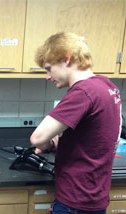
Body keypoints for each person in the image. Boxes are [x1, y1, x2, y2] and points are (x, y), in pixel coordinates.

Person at [30, 32, 121, 213]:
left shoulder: (83, 91)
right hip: (95, 195)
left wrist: (47, 144)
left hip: (76, 199)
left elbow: (38, 138)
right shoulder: (107, 86)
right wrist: (56, 143)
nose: (48, 76)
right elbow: (94, 137)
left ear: (66, 59)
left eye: (49, 68)